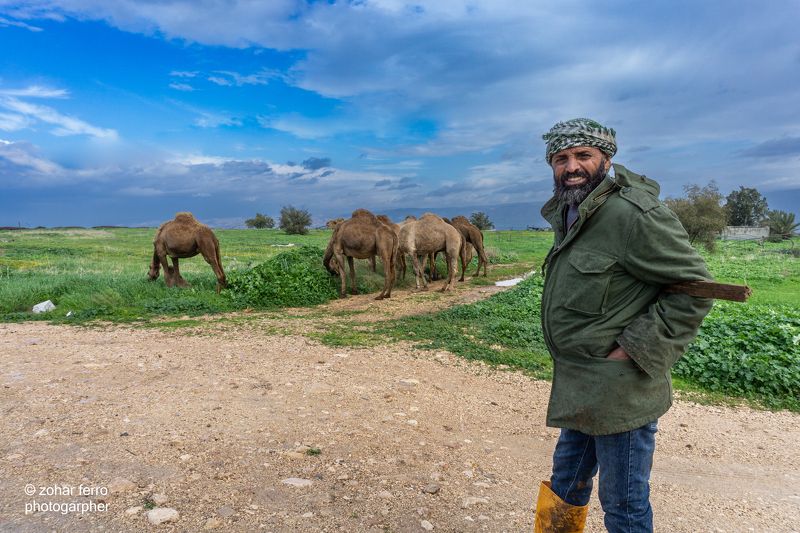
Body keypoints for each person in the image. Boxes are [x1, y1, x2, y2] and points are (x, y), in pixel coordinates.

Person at [533, 118, 713, 533]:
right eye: (561, 158)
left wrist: (635, 348)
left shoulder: (633, 214)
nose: (571, 166)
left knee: (623, 506)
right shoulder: (572, 211)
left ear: (606, 159)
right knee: (566, 485)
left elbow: (696, 288)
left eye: (583, 155)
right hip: (580, 385)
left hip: (621, 390)